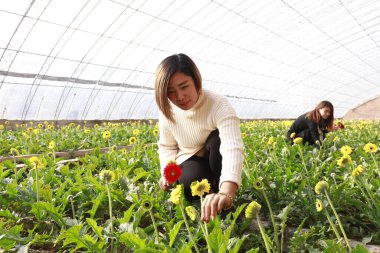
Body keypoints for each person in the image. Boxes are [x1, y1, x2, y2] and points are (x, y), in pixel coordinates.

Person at [155, 53, 244, 222]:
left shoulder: (218, 104)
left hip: (215, 154)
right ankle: (210, 193)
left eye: (184, 86)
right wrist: (167, 173)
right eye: (170, 91)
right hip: (189, 156)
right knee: (191, 181)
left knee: (217, 139)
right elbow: (167, 146)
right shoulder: (167, 111)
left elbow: (232, 148)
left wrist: (227, 192)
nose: (179, 97)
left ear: (196, 80)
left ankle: (221, 188)